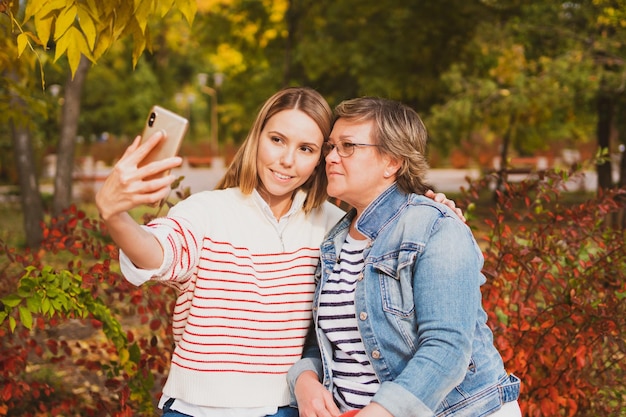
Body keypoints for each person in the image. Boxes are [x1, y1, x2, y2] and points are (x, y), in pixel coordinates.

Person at [95, 87, 461, 417]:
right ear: (257, 138)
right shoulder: (205, 210)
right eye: (277, 140)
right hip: (197, 408)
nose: (287, 160)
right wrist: (116, 216)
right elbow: (158, 253)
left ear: (319, 158)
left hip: (286, 407)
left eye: (306, 149)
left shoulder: (334, 225)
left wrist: (436, 215)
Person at [287, 97, 521, 417]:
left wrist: (379, 412)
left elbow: (447, 349)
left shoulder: (435, 227)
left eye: (348, 146)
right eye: (330, 146)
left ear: (392, 162)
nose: (330, 157)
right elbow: (329, 345)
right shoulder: (334, 242)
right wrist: (305, 379)